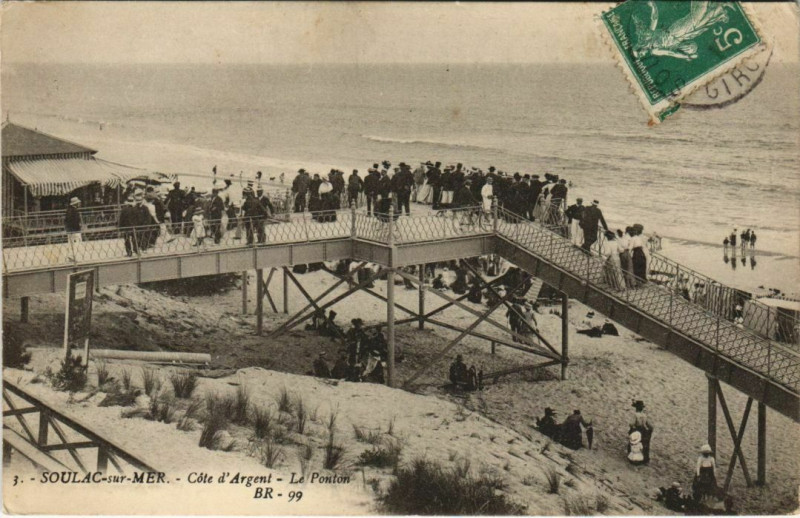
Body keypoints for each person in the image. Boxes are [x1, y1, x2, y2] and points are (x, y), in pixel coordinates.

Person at [629, 400, 654, 464]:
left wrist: (632, 427)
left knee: (633, 443)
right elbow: (650, 425)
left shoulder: (635, 415)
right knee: (644, 445)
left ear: (636, 408)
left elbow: (631, 423)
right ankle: (645, 459)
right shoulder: (644, 415)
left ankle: (633, 458)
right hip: (643, 431)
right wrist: (650, 430)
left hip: (637, 430)